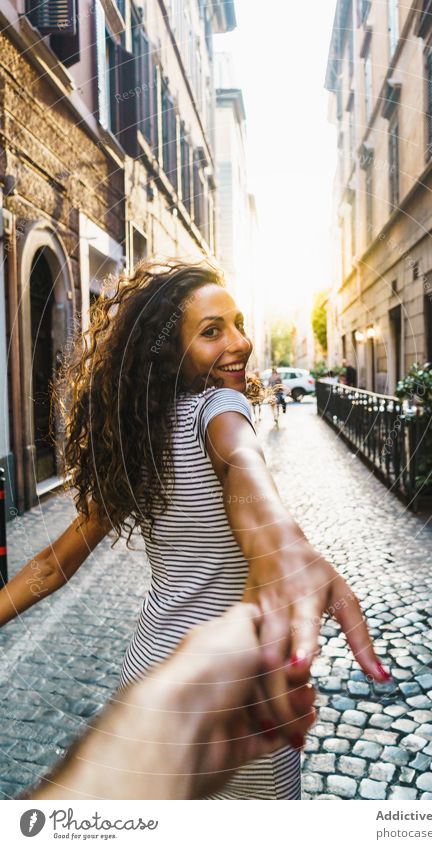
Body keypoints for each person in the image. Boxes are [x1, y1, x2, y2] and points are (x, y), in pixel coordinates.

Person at [0, 258, 389, 800]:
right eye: (212, 332)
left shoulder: (136, 440)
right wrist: (284, 542)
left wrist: (278, 538)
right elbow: (241, 463)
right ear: (170, 351)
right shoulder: (222, 407)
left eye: (238, 324)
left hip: (151, 678)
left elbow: (54, 564)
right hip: (228, 687)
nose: (240, 343)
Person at [22, 605, 316, 800]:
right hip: (234, 688)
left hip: (150, 674)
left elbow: (51, 565)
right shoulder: (255, 510)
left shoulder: (120, 505)